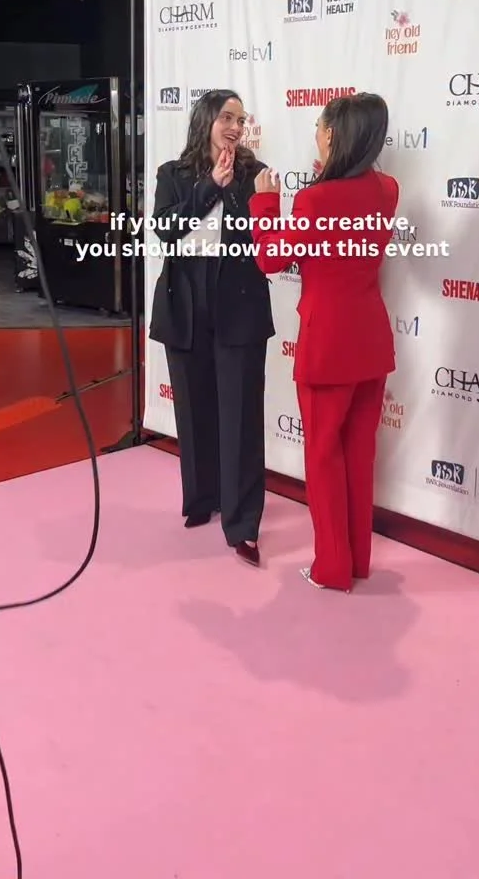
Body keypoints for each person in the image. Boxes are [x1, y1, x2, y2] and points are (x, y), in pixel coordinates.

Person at [249, 93, 398, 592]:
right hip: (370, 339)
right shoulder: (388, 189)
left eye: (318, 126)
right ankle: (356, 561)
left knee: (323, 455)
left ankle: (332, 568)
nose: (314, 133)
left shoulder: (315, 200)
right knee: (358, 453)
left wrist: (265, 203)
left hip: (328, 343)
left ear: (333, 134)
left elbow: (271, 258)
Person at [149, 89, 274, 567]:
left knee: (241, 418)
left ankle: (243, 525)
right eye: (227, 117)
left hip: (239, 306)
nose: (236, 127)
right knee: (194, 409)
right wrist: (208, 188)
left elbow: (263, 240)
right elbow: (166, 230)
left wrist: (241, 191)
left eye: (241, 119)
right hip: (185, 306)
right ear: (206, 121)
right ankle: (202, 498)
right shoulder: (172, 174)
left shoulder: (255, 174)